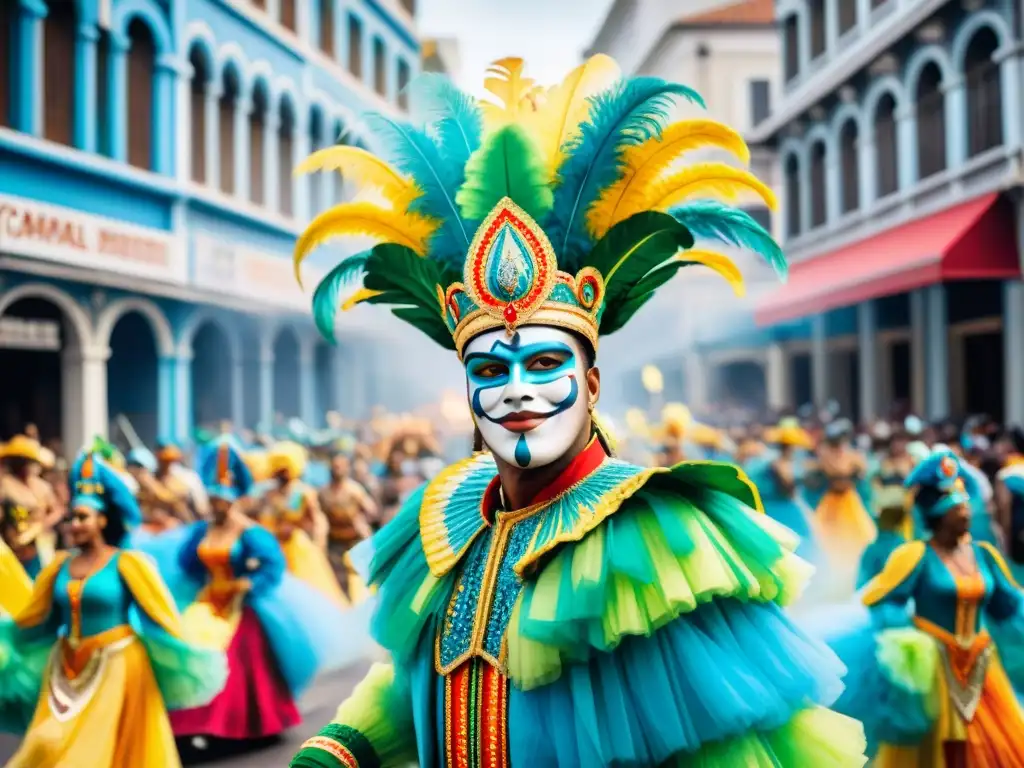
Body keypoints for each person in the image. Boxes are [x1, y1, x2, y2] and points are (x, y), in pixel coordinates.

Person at [288, 56, 865, 766]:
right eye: (492, 370)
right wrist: (340, 750)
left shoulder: (656, 538)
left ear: (591, 383)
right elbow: (416, 682)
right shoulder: (441, 520)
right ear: (467, 390)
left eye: (544, 365)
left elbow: (715, 743)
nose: (518, 391)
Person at [0, 450, 226, 767]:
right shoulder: (59, 567)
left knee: (102, 752)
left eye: (82, 517)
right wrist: (8, 641)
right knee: (46, 742)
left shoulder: (128, 564)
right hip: (65, 667)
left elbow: (159, 619)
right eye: (71, 518)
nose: (73, 525)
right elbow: (39, 623)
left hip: (119, 667)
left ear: (102, 521)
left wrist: (186, 648)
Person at [145, 436, 359, 746]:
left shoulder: (250, 532)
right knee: (190, 645)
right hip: (208, 601)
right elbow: (188, 563)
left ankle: (232, 724)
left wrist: (249, 582)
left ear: (233, 499)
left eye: (221, 499)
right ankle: (191, 721)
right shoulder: (202, 531)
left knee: (238, 659)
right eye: (213, 498)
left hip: (240, 603)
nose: (216, 504)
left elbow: (271, 566)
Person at [816, 450, 1024, 765]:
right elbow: (886, 605)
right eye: (957, 507)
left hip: (982, 667)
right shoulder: (915, 555)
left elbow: (1009, 606)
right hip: (934, 669)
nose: (967, 512)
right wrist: (910, 646)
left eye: (966, 504)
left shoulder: (984, 555)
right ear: (937, 514)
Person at [259, 441, 348, 606]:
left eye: (285, 470)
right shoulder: (268, 495)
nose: (281, 474)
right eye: (278, 469)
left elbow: (318, 520)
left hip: (298, 550)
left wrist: (318, 542)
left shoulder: (303, 493)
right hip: (275, 548)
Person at [810, 419, 877, 599]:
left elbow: (861, 472)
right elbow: (835, 472)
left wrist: (851, 469)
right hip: (833, 502)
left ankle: (855, 577)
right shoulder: (826, 455)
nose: (840, 443)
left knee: (859, 538)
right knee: (827, 539)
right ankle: (832, 578)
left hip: (849, 501)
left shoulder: (852, 455)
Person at [0, 436, 62, 576]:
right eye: (22, 461)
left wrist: (41, 525)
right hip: (14, 549)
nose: (26, 465)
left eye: (28, 461)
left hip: (42, 547)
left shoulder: (41, 486)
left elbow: (57, 510)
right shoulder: (5, 485)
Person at [318, 452, 374, 601]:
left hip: (353, 540)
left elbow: (372, 511)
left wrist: (360, 521)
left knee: (355, 579)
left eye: (340, 467)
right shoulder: (323, 492)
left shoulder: (354, 490)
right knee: (336, 580)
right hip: (334, 542)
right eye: (334, 466)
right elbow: (318, 515)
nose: (337, 470)